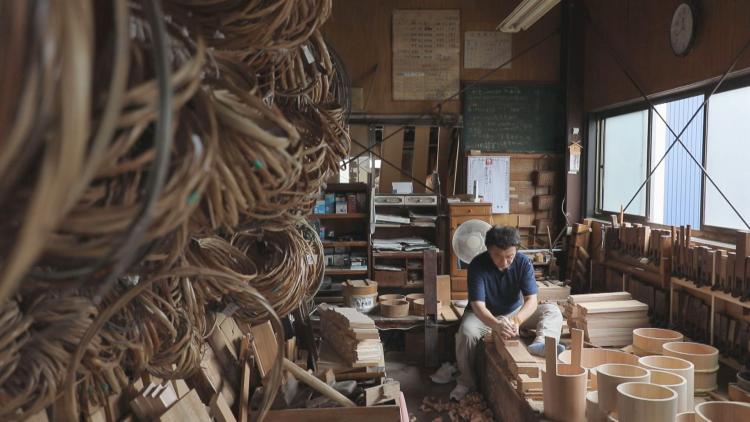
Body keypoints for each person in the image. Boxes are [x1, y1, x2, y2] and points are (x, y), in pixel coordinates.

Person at [450, 226, 563, 401]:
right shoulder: (477, 265)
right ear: (488, 250)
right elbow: (477, 305)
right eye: (497, 256)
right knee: (466, 333)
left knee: (552, 310)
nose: (504, 263)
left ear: (516, 250)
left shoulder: (523, 262)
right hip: (483, 314)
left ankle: (541, 343)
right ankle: (466, 381)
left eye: (509, 257)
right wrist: (496, 325)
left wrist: (516, 321)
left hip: (514, 312)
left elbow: (531, 300)